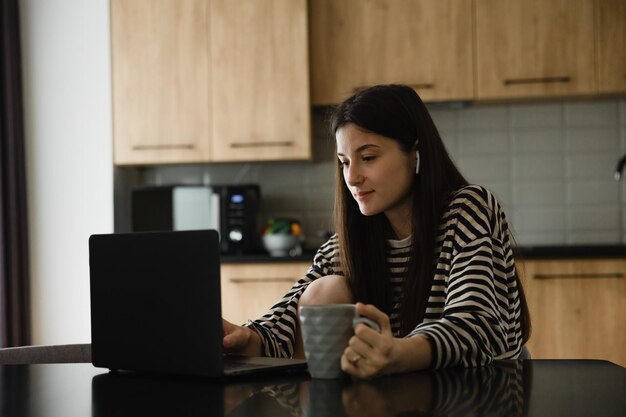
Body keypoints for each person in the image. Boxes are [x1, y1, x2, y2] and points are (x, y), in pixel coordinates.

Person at [222, 84, 531, 379]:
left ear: (415, 154)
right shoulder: (349, 242)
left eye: (368, 158)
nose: (352, 177)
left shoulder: (468, 209)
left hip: (485, 391)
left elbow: (475, 325)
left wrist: (399, 352)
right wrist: (244, 338)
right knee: (324, 290)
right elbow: (285, 320)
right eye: (344, 162)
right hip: (404, 396)